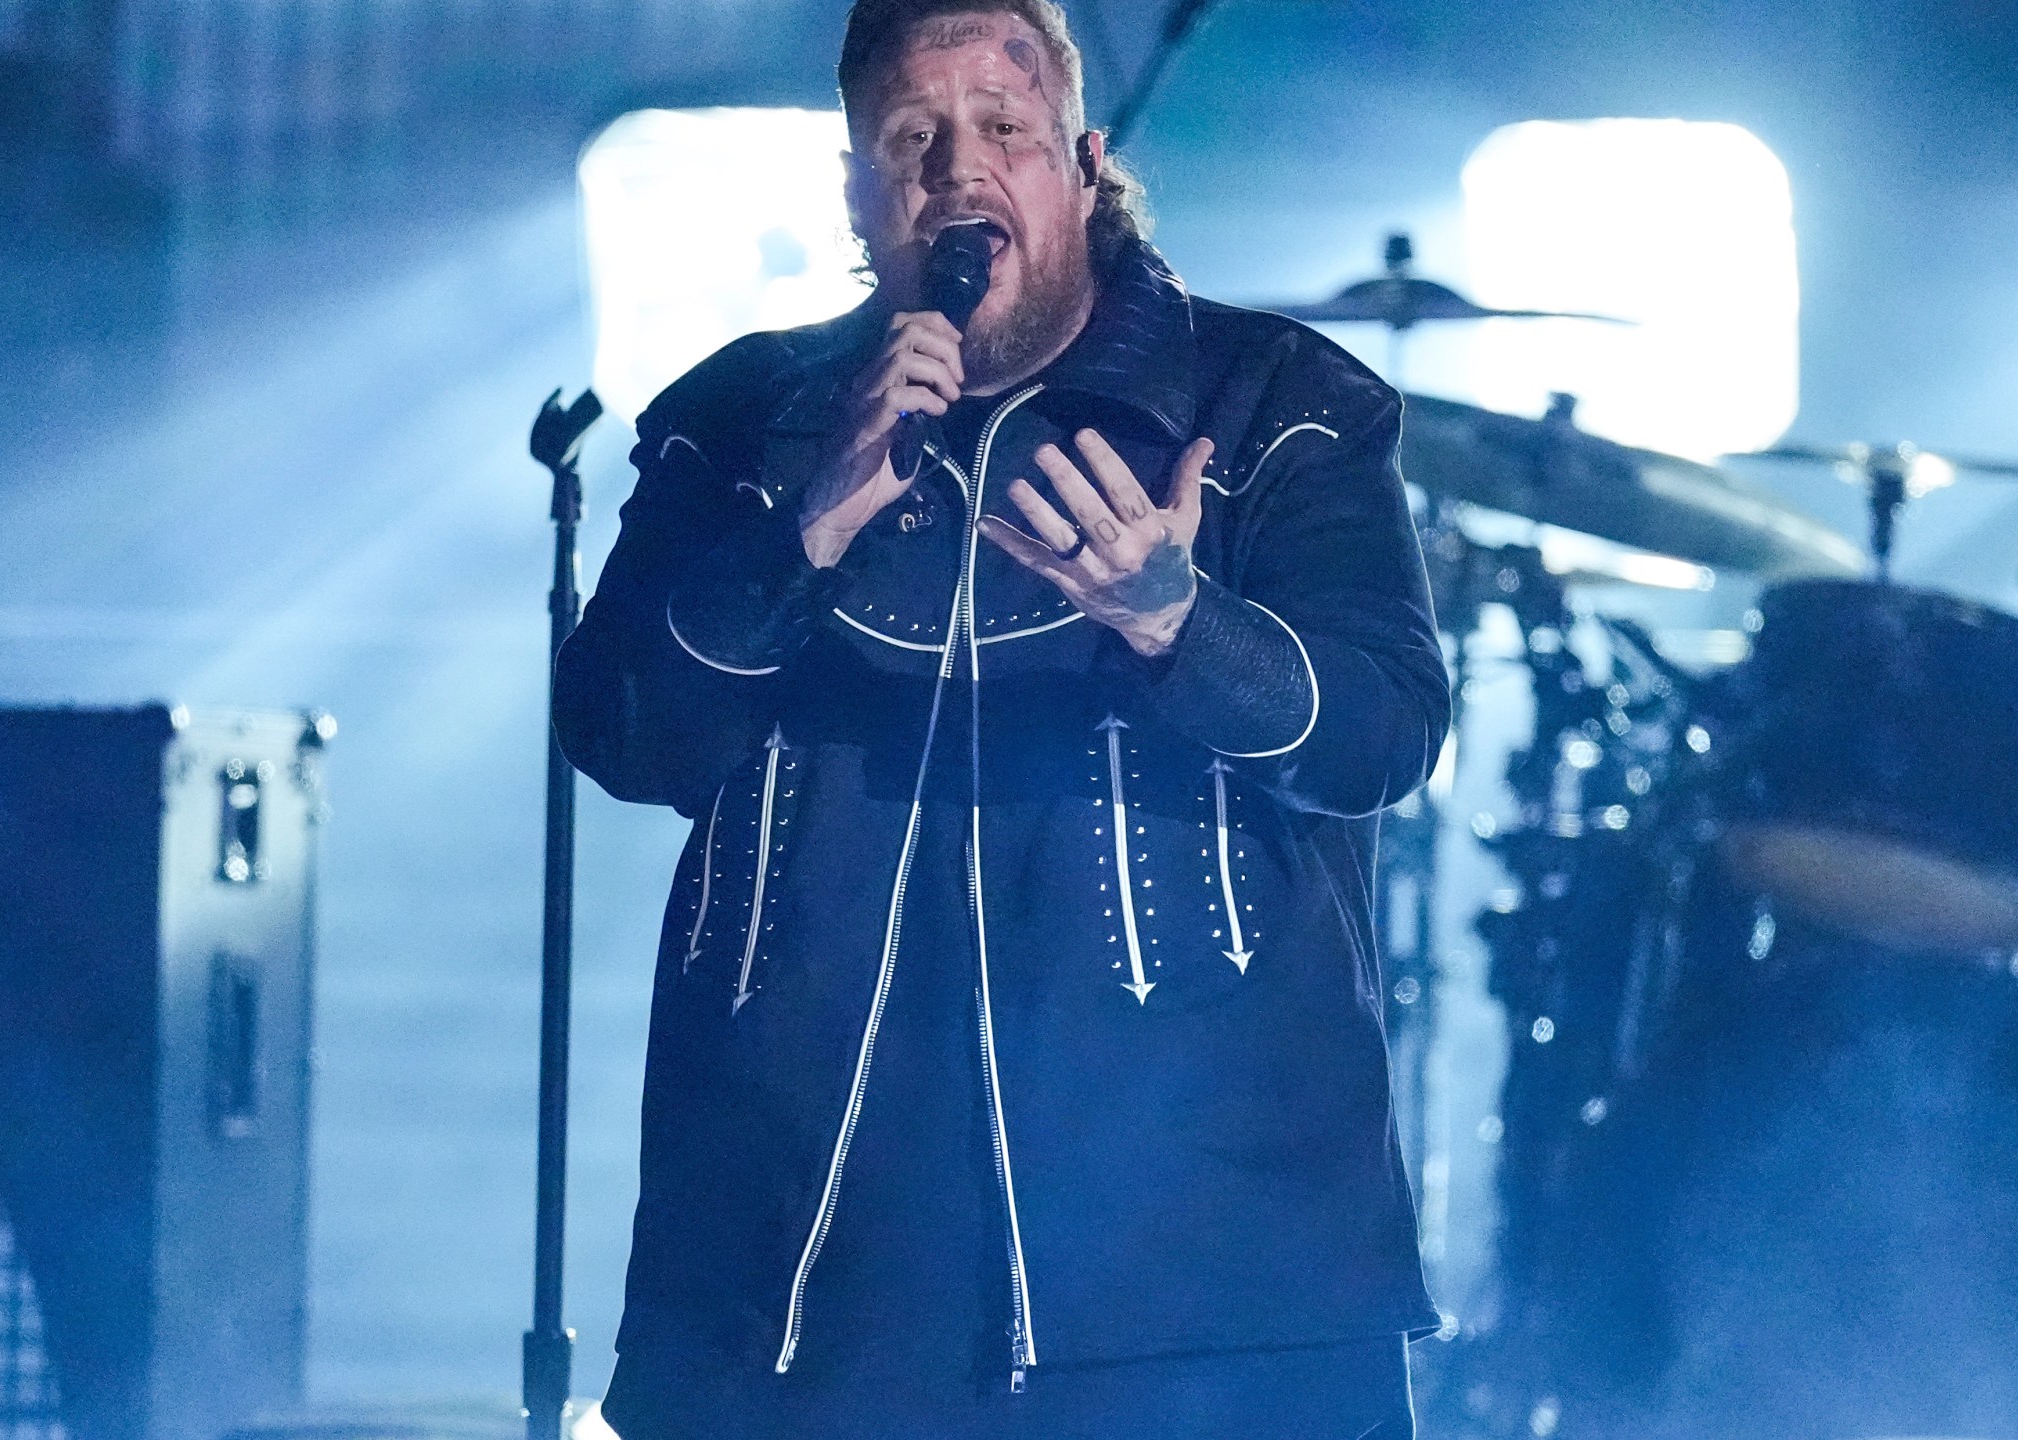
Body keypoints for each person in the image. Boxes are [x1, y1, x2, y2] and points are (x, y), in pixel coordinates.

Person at [552, 1, 1450, 1433]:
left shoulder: (1276, 402)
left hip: (1202, 1276)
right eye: (911, 139)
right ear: (857, 189)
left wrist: (1176, 617)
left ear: (1082, 166)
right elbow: (624, 735)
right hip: (803, 1272)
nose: (957, 172)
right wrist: (803, 529)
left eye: (1003, 130)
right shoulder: (739, 423)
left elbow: (1386, 733)